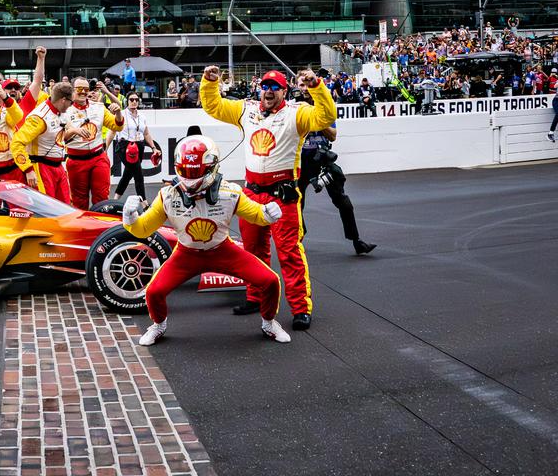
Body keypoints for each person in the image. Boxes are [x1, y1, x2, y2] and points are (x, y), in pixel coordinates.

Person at [200, 65, 335, 331]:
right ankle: (255, 297)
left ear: (284, 90)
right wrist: (210, 81)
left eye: (275, 87)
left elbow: (327, 115)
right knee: (252, 251)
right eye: (265, 86)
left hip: (282, 194)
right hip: (251, 194)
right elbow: (214, 107)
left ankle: (300, 308)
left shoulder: (297, 114)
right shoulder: (247, 109)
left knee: (289, 253)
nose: (269, 91)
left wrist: (316, 86)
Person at [124, 135, 291, 346]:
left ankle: (268, 323)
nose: (189, 179)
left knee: (270, 280)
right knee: (154, 291)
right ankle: (158, 325)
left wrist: (269, 213)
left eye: (195, 172)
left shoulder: (230, 193)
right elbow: (142, 230)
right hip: (186, 254)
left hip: (223, 250)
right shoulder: (168, 195)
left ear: (212, 168)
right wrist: (130, 217)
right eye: (184, 172)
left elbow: (256, 215)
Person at [296, 76, 377, 255]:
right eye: (301, 85)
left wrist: (316, 118)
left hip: (322, 161)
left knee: (343, 202)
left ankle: (357, 241)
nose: (305, 89)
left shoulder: (325, 107)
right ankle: (297, 241)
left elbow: (333, 135)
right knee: (296, 205)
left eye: (307, 84)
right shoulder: (292, 109)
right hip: (299, 164)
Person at [64, 78, 123, 209]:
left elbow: (117, 126)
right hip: (76, 160)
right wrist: (74, 131)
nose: (83, 92)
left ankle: (101, 227)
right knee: (79, 201)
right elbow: (61, 137)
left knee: (101, 198)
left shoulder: (99, 107)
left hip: (98, 157)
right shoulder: (64, 110)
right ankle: (83, 228)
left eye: (86, 89)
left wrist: (118, 112)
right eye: (80, 89)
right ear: (72, 90)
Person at [11, 82, 75, 202]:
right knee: (47, 209)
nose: (71, 106)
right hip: (42, 169)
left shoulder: (60, 111)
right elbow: (17, 143)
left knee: (66, 207)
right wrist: (28, 169)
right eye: (71, 102)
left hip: (58, 167)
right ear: (63, 100)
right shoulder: (39, 118)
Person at [114, 93, 161, 200]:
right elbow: (112, 131)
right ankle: (143, 202)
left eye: (136, 99)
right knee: (138, 175)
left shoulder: (142, 116)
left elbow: (146, 134)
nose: (134, 102)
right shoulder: (121, 114)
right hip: (125, 146)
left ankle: (115, 199)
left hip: (139, 146)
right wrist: (106, 147)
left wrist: (153, 148)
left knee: (127, 175)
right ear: (127, 101)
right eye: (131, 99)